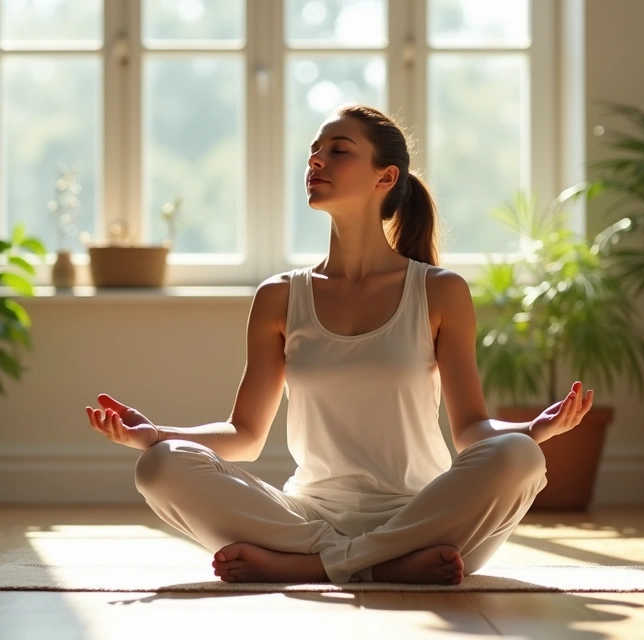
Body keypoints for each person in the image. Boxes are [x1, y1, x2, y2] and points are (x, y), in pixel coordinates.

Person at [84, 104, 594, 585]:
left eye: (339, 150)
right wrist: (155, 434)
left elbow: (470, 431)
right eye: (314, 149)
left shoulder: (439, 290)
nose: (316, 160)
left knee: (520, 456)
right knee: (160, 465)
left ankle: (314, 568)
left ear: (385, 177)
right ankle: (377, 566)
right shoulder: (280, 296)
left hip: (425, 517)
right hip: (306, 520)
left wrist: (533, 430)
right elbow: (245, 435)